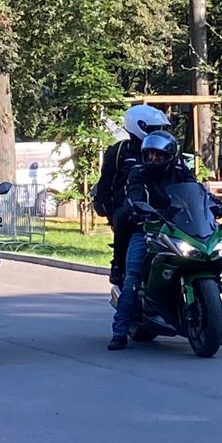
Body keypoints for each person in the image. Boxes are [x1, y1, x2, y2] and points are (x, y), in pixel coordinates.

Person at [109, 130, 197, 350]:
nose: (154, 159)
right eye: (150, 154)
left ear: (169, 155)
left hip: (176, 229)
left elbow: (196, 193)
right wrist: (136, 207)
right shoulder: (138, 172)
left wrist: (214, 205)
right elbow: (133, 194)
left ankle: (207, 324)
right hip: (146, 228)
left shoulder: (181, 171)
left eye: (158, 155)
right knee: (133, 278)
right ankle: (119, 331)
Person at [92, 105, 171, 302]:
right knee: (124, 228)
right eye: (154, 128)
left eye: (160, 128)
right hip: (128, 207)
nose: (158, 132)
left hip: (162, 209)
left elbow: (184, 179)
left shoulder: (165, 149)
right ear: (139, 126)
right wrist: (105, 209)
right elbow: (106, 181)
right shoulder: (120, 151)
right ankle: (118, 267)